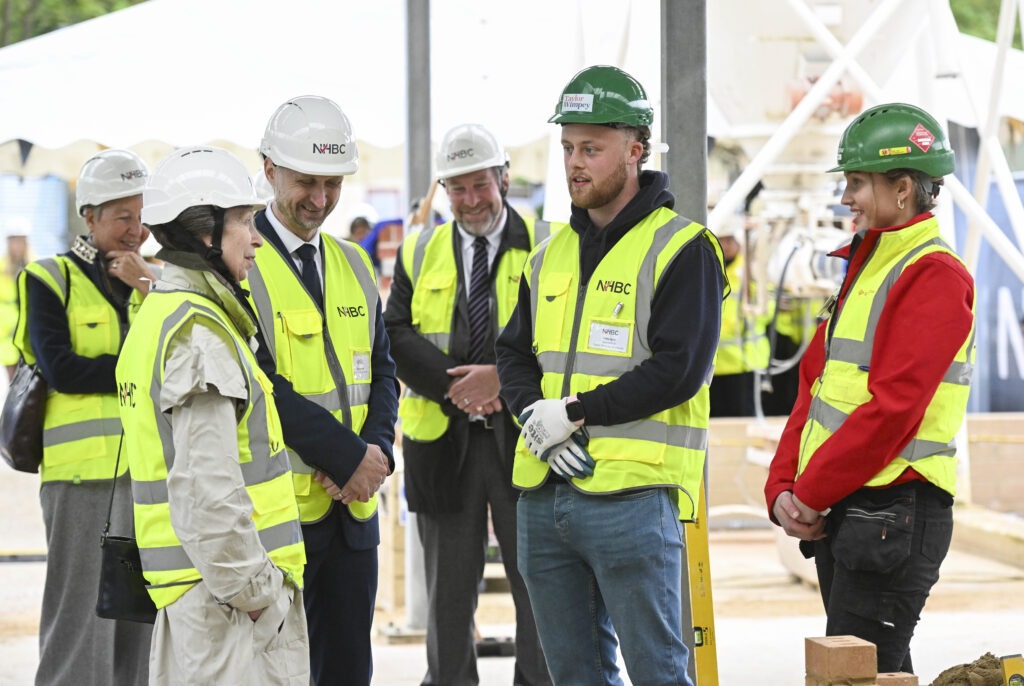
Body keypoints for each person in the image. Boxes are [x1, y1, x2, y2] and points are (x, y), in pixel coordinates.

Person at [495, 65, 727, 686]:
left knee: (658, 674)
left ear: (635, 149)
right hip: (544, 498)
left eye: (591, 149)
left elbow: (680, 369)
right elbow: (513, 354)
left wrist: (571, 414)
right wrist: (531, 415)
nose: (575, 163)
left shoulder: (683, 248)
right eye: (568, 147)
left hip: (634, 501)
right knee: (573, 676)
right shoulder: (548, 255)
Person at [764, 103, 976, 674]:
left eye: (857, 182)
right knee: (873, 670)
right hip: (854, 508)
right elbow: (814, 386)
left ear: (903, 188)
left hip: (894, 508)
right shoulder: (868, 263)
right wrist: (784, 485)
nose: (846, 197)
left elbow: (893, 409)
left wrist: (808, 493)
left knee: (856, 670)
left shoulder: (933, 274)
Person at [116, 146, 308, 685]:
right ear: (205, 234)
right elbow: (208, 493)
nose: (257, 238)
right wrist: (257, 595)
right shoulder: (200, 335)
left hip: (202, 598)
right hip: (227, 606)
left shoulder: (163, 314)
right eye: (245, 221)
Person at [385, 123, 554, 686]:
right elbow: (397, 335)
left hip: (523, 444)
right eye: (457, 189)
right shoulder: (420, 250)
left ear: (503, 177)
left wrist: (501, 382)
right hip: (443, 442)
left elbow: (556, 338)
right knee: (449, 594)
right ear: (443, 189)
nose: (471, 200)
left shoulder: (545, 248)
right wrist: (456, 388)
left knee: (536, 582)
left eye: (481, 185)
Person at [244, 94, 397, 686]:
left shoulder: (355, 263)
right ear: (269, 169)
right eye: (306, 182)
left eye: (332, 184)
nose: (320, 199)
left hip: (353, 515)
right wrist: (346, 456)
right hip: (279, 522)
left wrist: (373, 455)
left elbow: (382, 372)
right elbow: (260, 386)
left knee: (347, 672)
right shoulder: (240, 263)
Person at [13, 149, 155, 685]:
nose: (135, 229)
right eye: (122, 217)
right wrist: (133, 369)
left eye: (141, 216)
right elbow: (65, 369)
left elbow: (177, 361)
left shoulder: (154, 281)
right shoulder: (48, 279)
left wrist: (146, 286)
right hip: (80, 479)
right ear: (89, 215)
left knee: (140, 618)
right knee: (80, 618)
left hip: (144, 475)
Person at [710, 216, 772, 417]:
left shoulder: (750, 272)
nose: (725, 246)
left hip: (745, 364)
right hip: (712, 366)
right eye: (721, 240)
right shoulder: (708, 269)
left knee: (744, 425)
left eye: (729, 240)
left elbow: (766, 309)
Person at [0, 220, 31, 379]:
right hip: (7, 335)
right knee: (13, 380)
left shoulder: (33, 265)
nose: (18, 245)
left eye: (21, 240)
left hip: (28, 332)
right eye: (14, 241)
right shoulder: (2, 268)